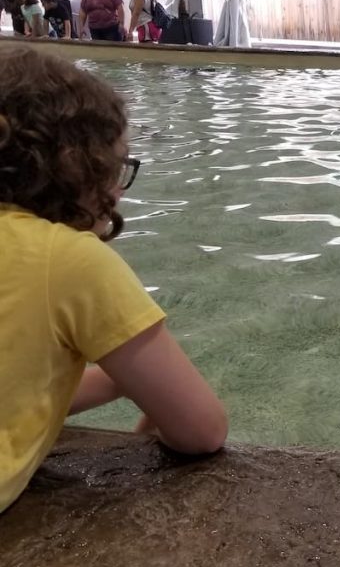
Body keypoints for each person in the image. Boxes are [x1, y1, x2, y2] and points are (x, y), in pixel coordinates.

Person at [0, 46, 227, 515]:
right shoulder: (65, 258)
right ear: (74, 163)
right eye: (116, 166)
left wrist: (121, 380)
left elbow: (18, 392)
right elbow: (202, 431)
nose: (119, 189)